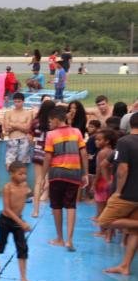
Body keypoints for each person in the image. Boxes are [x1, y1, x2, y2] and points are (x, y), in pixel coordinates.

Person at [41, 106, 88, 251]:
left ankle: (60, 238)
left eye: (50, 121)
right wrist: (85, 174)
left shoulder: (51, 135)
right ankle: (70, 240)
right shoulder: (77, 132)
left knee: (56, 205)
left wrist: (42, 177)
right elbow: (83, 154)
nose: (49, 124)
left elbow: (48, 157)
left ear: (56, 120)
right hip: (74, 173)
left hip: (57, 174)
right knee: (71, 205)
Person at [0, 162, 35, 281]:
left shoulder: (25, 185)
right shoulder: (7, 188)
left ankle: (23, 279)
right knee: (1, 245)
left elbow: (27, 198)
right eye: (20, 174)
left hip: (17, 221)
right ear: (11, 174)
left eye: (25, 174)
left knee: (22, 248)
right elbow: (7, 209)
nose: (24, 176)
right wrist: (21, 222)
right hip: (5, 221)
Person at [99, 114, 138, 275]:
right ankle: (125, 265)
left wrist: (118, 191)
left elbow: (123, 169)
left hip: (127, 194)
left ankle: (125, 266)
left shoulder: (125, 142)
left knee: (104, 221)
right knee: (135, 232)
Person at [30, 100, 56, 218]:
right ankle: (54, 209)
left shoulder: (35, 122)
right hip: (51, 153)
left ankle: (35, 211)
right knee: (51, 180)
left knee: (38, 181)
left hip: (38, 152)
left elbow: (30, 139)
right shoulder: (53, 124)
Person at [93, 129, 117, 241]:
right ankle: (110, 231)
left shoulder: (102, 153)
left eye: (99, 140)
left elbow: (99, 169)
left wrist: (94, 183)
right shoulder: (113, 151)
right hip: (112, 180)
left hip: (102, 181)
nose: (96, 142)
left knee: (101, 208)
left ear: (107, 141)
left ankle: (103, 231)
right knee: (109, 207)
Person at [3, 92, 34, 167]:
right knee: (9, 165)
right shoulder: (8, 113)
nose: (17, 104)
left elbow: (27, 129)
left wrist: (13, 125)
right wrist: (21, 126)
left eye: (19, 102)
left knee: (22, 166)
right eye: (15, 102)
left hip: (24, 140)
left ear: (23, 101)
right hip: (12, 140)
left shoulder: (28, 113)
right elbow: (6, 128)